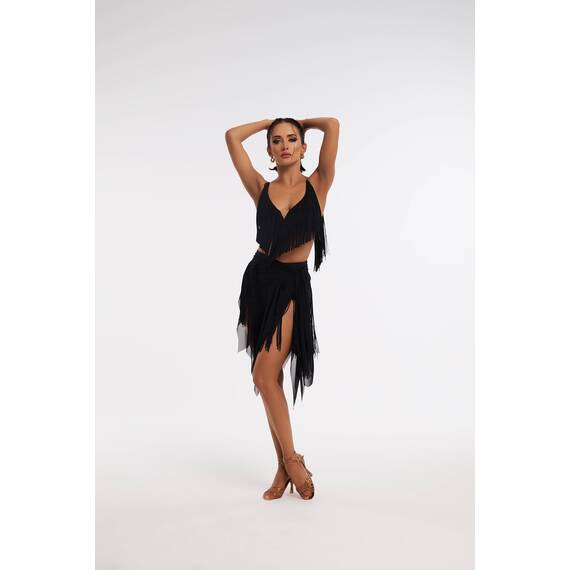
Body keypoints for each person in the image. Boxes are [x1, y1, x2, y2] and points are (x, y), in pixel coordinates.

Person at [225, 116, 339, 500]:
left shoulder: (319, 184)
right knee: (267, 377)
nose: (285, 145)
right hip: (259, 281)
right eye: (277, 141)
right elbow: (231, 137)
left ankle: (292, 460)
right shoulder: (260, 188)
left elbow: (333, 124)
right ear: (270, 151)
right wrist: (266, 124)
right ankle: (284, 466)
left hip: (292, 286)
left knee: (263, 374)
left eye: (292, 139)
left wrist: (302, 123)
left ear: (304, 148)